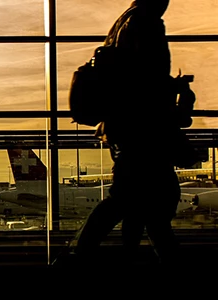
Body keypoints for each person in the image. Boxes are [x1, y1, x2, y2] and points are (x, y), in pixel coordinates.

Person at [58, 0, 186, 266]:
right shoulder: (147, 23)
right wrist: (172, 90)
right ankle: (82, 254)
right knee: (149, 202)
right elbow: (147, 78)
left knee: (135, 202)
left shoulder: (122, 24)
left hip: (124, 129)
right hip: (142, 130)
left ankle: (85, 253)